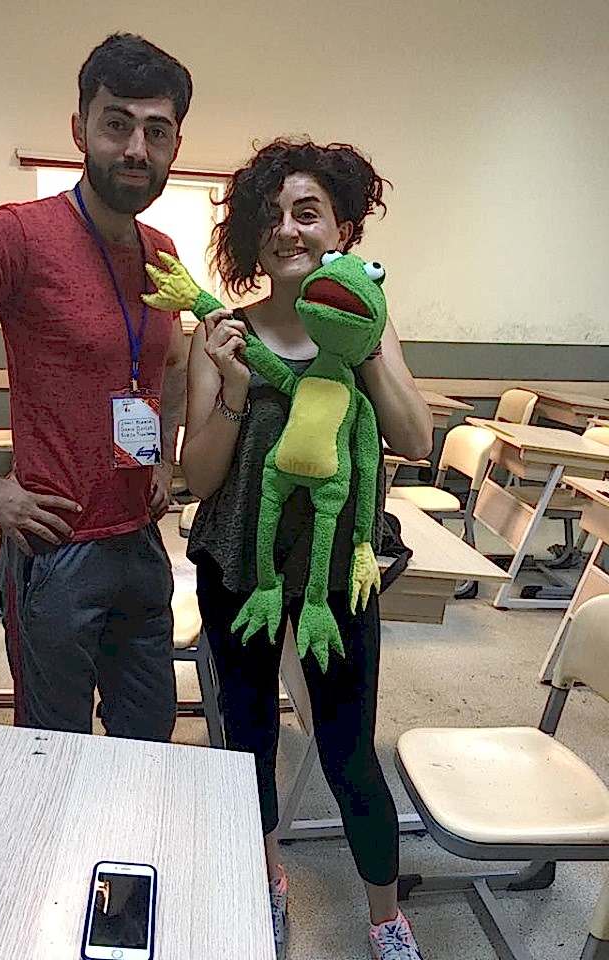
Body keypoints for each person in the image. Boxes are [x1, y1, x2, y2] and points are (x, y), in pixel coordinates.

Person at [0, 34, 192, 741]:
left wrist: (165, 460)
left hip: (141, 541)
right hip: (57, 548)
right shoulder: (17, 236)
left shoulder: (163, 253)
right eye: (116, 124)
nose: (136, 149)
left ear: (176, 144)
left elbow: (173, 363)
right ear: (80, 129)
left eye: (156, 131)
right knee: (51, 751)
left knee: (151, 742)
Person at [181, 140, 433, 960]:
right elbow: (197, 477)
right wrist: (230, 390)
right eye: (271, 215)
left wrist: (367, 350)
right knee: (247, 739)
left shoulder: (369, 327)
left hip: (335, 575)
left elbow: (416, 439)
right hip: (239, 568)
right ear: (251, 235)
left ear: (343, 230)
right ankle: (267, 879)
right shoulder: (221, 333)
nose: (287, 229)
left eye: (308, 213)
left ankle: (385, 916)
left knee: (349, 749)